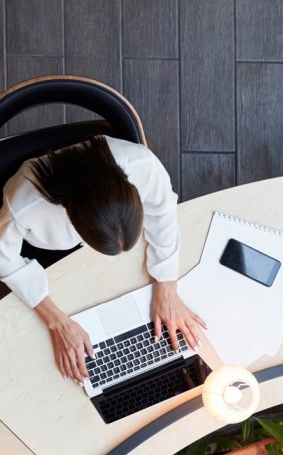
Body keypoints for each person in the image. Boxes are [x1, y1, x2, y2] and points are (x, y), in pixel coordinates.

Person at [0, 135, 206, 384]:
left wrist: (167, 286)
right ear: (72, 219)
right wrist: (58, 322)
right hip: (46, 253)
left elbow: (162, 210)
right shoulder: (24, 204)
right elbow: (4, 258)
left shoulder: (142, 164)